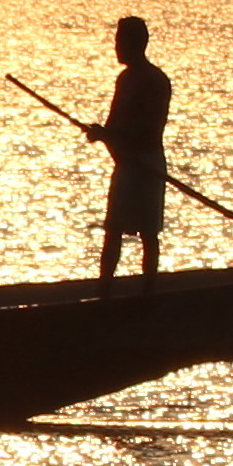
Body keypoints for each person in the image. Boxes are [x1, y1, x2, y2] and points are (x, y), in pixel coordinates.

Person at [95, 17, 170, 284]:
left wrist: (114, 136)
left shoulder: (155, 81)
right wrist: (103, 134)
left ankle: (149, 290)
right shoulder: (124, 79)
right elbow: (114, 122)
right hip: (126, 164)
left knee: (148, 232)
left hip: (147, 164)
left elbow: (149, 128)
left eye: (119, 42)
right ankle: (104, 287)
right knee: (113, 229)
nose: (116, 48)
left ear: (135, 44)